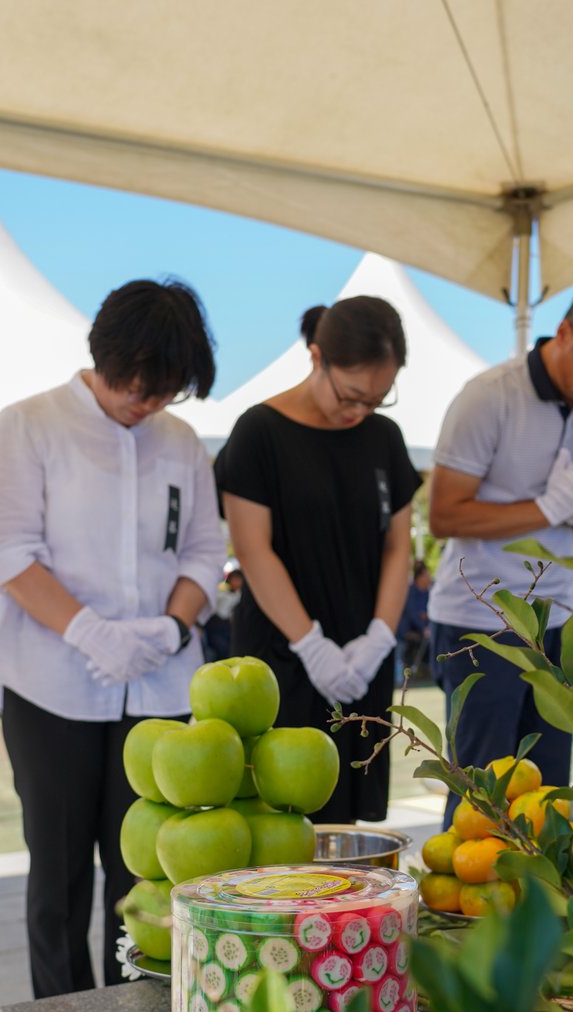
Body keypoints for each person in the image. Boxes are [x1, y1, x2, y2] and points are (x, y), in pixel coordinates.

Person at [0, 278, 223, 998]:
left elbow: (206, 552)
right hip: (50, 682)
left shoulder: (180, 443)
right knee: (57, 872)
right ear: (102, 354)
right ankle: (62, 1004)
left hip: (157, 683)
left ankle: (138, 998)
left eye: (164, 392)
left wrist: (172, 627)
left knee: (144, 871)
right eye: (133, 387)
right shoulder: (29, 424)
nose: (143, 404)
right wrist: (88, 632)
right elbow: (7, 550)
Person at [426, 279, 573, 823]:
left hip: (561, 618)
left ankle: (544, 906)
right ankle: (468, 912)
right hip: (481, 618)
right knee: (481, 799)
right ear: (565, 334)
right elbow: (446, 515)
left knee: (550, 799)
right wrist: (549, 507)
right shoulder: (488, 397)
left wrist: (572, 511)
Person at [214, 296, 420, 824]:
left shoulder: (384, 438)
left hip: (360, 653)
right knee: (276, 818)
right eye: (351, 395)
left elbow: (399, 544)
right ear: (316, 358)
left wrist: (380, 637)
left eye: (376, 399)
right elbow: (252, 548)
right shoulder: (259, 431)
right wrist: (310, 644)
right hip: (282, 651)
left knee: (343, 822)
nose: (360, 411)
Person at [398, 560, 433, 684]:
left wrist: (425, 618)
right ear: (420, 577)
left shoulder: (428, 592)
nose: (429, 578)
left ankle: (427, 670)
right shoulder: (410, 591)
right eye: (427, 575)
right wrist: (423, 626)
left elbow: (428, 613)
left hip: (423, 629)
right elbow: (412, 614)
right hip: (407, 629)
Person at [201, 567, 242, 663]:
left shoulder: (240, 596)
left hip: (230, 626)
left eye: (239, 579)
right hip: (216, 623)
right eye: (235, 579)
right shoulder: (221, 593)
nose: (237, 582)